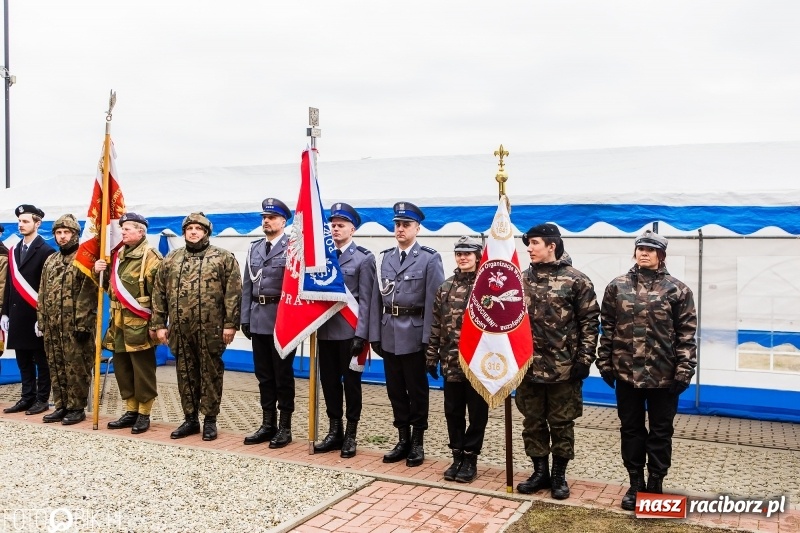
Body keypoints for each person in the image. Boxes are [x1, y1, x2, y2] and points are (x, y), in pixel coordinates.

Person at [596, 230, 697, 510]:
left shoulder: (678, 290)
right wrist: (604, 362)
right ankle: (634, 484)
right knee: (631, 430)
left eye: (651, 250)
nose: (644, 253)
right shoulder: (617, 287)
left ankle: (655, 485)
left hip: (664, 376)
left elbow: (686, 334)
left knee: (661, 432)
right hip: (626, 374)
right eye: (640, 248)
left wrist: (684, 370)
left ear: (661, 255)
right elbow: (607, 329)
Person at [515, 223, 599, 500]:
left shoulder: (576, 280)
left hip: (564, 368)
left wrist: (584, 360)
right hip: (528, 368)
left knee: (562, 424)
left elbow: (589, 322)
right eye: (528, 243)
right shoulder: (519, 280)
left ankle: (559, 476)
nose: (529, 248)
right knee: (533, 422)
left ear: (552, 245)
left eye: (535, 243)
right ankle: (540, 472)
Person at [152, 212, 242, 441]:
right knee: (185, 373)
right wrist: (160, 324)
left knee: (211, 373)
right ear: (184, 232)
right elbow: (159, 293)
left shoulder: (223, 258)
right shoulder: (171, 259)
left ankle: (210, 420)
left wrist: (230, 324)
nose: (193, 232)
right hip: (181, 330)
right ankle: (190, 419)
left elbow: (233, 293)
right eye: (189, 228)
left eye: (198, 229)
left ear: (206, 232)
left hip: (212, 329)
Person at [370, 201, 445, 467]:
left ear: (417, 228)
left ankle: (417, 442)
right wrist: (374, 334)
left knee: (417, 391)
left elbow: (434, 304)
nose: (400, 229)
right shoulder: (385, 257)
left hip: (414, 335)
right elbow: (377, 299)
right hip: (389, 332)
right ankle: (402, 438)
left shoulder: (429, 258)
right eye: (397, 225)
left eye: (406, 225)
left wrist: (429, 341)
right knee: (395, 391)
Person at [314, 203, 375, 458]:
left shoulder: (364, 258)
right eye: (333, 224)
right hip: (326, 331)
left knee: (351, 385)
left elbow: (368, 301)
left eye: (341, 225)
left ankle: (351, 434)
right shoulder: (323, 257)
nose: (336, 228)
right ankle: (334, 430)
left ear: (353, 228)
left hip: (351, 334)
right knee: (328, 383)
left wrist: (362, 335)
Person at [426, 236, 488, 483]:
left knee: (477, 412)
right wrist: (431, 357)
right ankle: (457, 455)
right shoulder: (446, 287)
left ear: (478, 256)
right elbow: (437, 325)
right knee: (453, 411)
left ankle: (470, 458)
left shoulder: (488, 286)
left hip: (479, 363)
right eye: (459, 253)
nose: (463, 257)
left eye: (468, 253)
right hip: (451, 361)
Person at [94, 212, 162, 434]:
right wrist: (99, 273)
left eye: (128, 228)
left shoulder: (150, 257)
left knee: (143, 371)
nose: (122, 231)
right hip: (118, 325)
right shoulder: (118, 255)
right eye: (122, 228)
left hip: (140, 325)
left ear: (141, 232)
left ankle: (144, 413)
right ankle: (130, 410)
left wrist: (157, 325)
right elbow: (110, 288)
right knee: (122, 369)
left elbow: (160, 296)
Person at [241, 198, 296, 448]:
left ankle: (285, 426)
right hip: (258, 318)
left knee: (282, 375)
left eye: (272, 217)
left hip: (282, 320)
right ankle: (268, 423)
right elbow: (247, 286)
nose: (266, 221)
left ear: (283, 221)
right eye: (264, 217)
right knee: (263, 375)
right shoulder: (254, 248)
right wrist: (245, 318)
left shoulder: (293, 247)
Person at [37, 214, 96, 425]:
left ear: (75, 234)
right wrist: (41, 320)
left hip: (75, 326)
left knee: (76, 367)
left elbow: (88, 294)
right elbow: (42, 292)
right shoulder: (50, 260)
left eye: (67, 232)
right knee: (56, 365)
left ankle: (76, 408)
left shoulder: (83, 259)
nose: (62, 237)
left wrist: (83, 323)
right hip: (53, 327)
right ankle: (61, 405)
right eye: (58, 233)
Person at [2, 204, 56, 415]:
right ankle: (27, 397)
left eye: (25, 221)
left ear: (37, 223)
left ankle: (42, 399)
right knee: (22, 359)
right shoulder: (14, 250)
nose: (21, 225)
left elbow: (48, 288)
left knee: (41, 361)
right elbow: (10, 285)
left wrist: (42, 317)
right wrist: (5, 312)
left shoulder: (46, 251)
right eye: (19, 221)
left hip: (35, 316)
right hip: (17, 315)